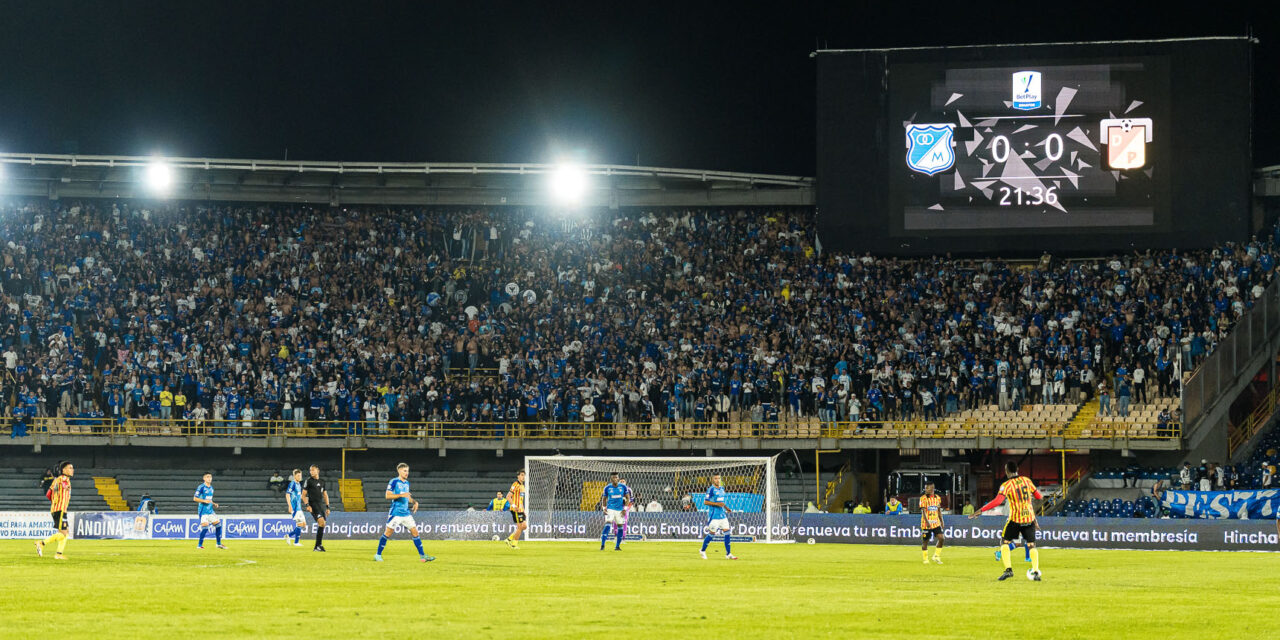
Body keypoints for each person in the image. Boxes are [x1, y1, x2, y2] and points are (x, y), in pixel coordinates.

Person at [970, 461, 1042, 581]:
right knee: (1031, 545)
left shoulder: (1006, 485)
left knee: (1004, 542)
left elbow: (997, 501)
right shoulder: (1027, 481)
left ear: (1007, 471)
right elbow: (1039, 496)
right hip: (1029, 518)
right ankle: (1035, 572)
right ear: (1017, 469)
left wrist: (981, 510)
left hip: (1015, 519)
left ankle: (1008, 570)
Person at [375, 462, 433, 562]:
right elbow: (387, 496)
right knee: (388, 533)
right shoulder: (394, 481)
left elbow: (407, 497)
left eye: (408, 471)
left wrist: (414, 502)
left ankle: (423, 556)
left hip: (406, 513)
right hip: (396, 513)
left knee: (415, 532)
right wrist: (401, 495)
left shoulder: (407, 483)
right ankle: (378, 555)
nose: (407, 473)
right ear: (399, 471)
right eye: (405, 471)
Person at [35, 460, 73, 560]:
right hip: (60, 509)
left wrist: (55, 501)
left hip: (57, 509)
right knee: (64, 533)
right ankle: (42, 543)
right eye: (70, 468)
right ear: (63, 470)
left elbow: (48, 494)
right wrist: (65, 487)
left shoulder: (56, 480)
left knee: (65, 533)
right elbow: (64, 485)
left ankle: (58, 554)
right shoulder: (64, 478)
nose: (72, 470)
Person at [699, 473, 738, 560]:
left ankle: (728, 554)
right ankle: (702, 550)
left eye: (719, 478)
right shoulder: (711, 489)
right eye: (716, 478)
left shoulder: (722, 489)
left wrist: (726, 508)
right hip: (714, 516)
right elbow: (705, 502)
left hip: (722, 515)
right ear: (712, 480)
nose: (717, 480)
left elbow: (721, 502)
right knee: (711, 534)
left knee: (727, 533)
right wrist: (717, 504)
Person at [600, 472, 632, 551]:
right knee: (608, 524)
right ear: (611, 479)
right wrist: (604, 508)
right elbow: (604, 498)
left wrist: (625, 509)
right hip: (610, 509)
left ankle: (617, 546)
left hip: (620, 510)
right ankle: (602, 545)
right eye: (613, 477)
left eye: (616, 477)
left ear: (618, 478)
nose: (615, 479)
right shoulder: (607, 488)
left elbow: (628, 498)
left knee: (620, 526)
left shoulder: (623, 487)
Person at [193, 472, 226, 550]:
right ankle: (199, 545)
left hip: (210, 511)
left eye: (210, 477)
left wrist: (214, 504)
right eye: (207, 477)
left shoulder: (211, 488)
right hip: (203, 511)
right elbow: (195, 498)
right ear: (204, 478)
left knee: (218, 525)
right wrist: (204, 501)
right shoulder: (201, 487)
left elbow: (209, 499)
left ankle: (218, 544)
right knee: (205, 528)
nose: (209, 478)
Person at [302, 465, 330, 551]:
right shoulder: (308, 481)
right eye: (310, 470)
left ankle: (317, 546)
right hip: (313, 505)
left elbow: (325, 495)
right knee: (321, 522)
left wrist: (328, 507)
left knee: (323, 524)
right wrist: (307, 505)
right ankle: (318, 546)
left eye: (313, 470)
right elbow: (303, 495)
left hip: (320, 505)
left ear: (318, 471)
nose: (311, 472)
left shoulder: (322, 481)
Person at [919, 481, 945, 564]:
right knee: (925, 542)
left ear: (932, 488)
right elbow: (923, 511)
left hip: (936, 523)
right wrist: (927, 523)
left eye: (927, 488)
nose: (926, 489)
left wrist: (942, 521)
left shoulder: (937, 498)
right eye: (925, 488)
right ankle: (925, 559)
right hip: (926, 524)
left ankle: (936, 556)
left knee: (941, 538)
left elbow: (939, 511)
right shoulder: (923, 498)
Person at [504, 469, 527, 549]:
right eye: (521, 475)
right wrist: (514, 506)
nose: (523, 477)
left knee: (524, 526)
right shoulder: (515, 484)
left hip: (520, 509)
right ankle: (514, 545)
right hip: (515, 509)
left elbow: (520, 500)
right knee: (520, 527)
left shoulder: (522, 486)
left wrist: (523, 510)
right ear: (518, 476)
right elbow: (508, 496)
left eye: (524, 475)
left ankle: (509, 539)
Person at [284, 469, 305, 546]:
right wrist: (289, 506)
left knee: (303, 524)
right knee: (299, 524)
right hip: (295, 508)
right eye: (298, 475)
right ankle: (296, 542)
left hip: (299, 507)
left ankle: (288, 535)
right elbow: (287, 494)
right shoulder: (292, 483)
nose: (300, 477)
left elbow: (298, 496)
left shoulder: (298, 484)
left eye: (300, 475)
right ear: (294, 476)